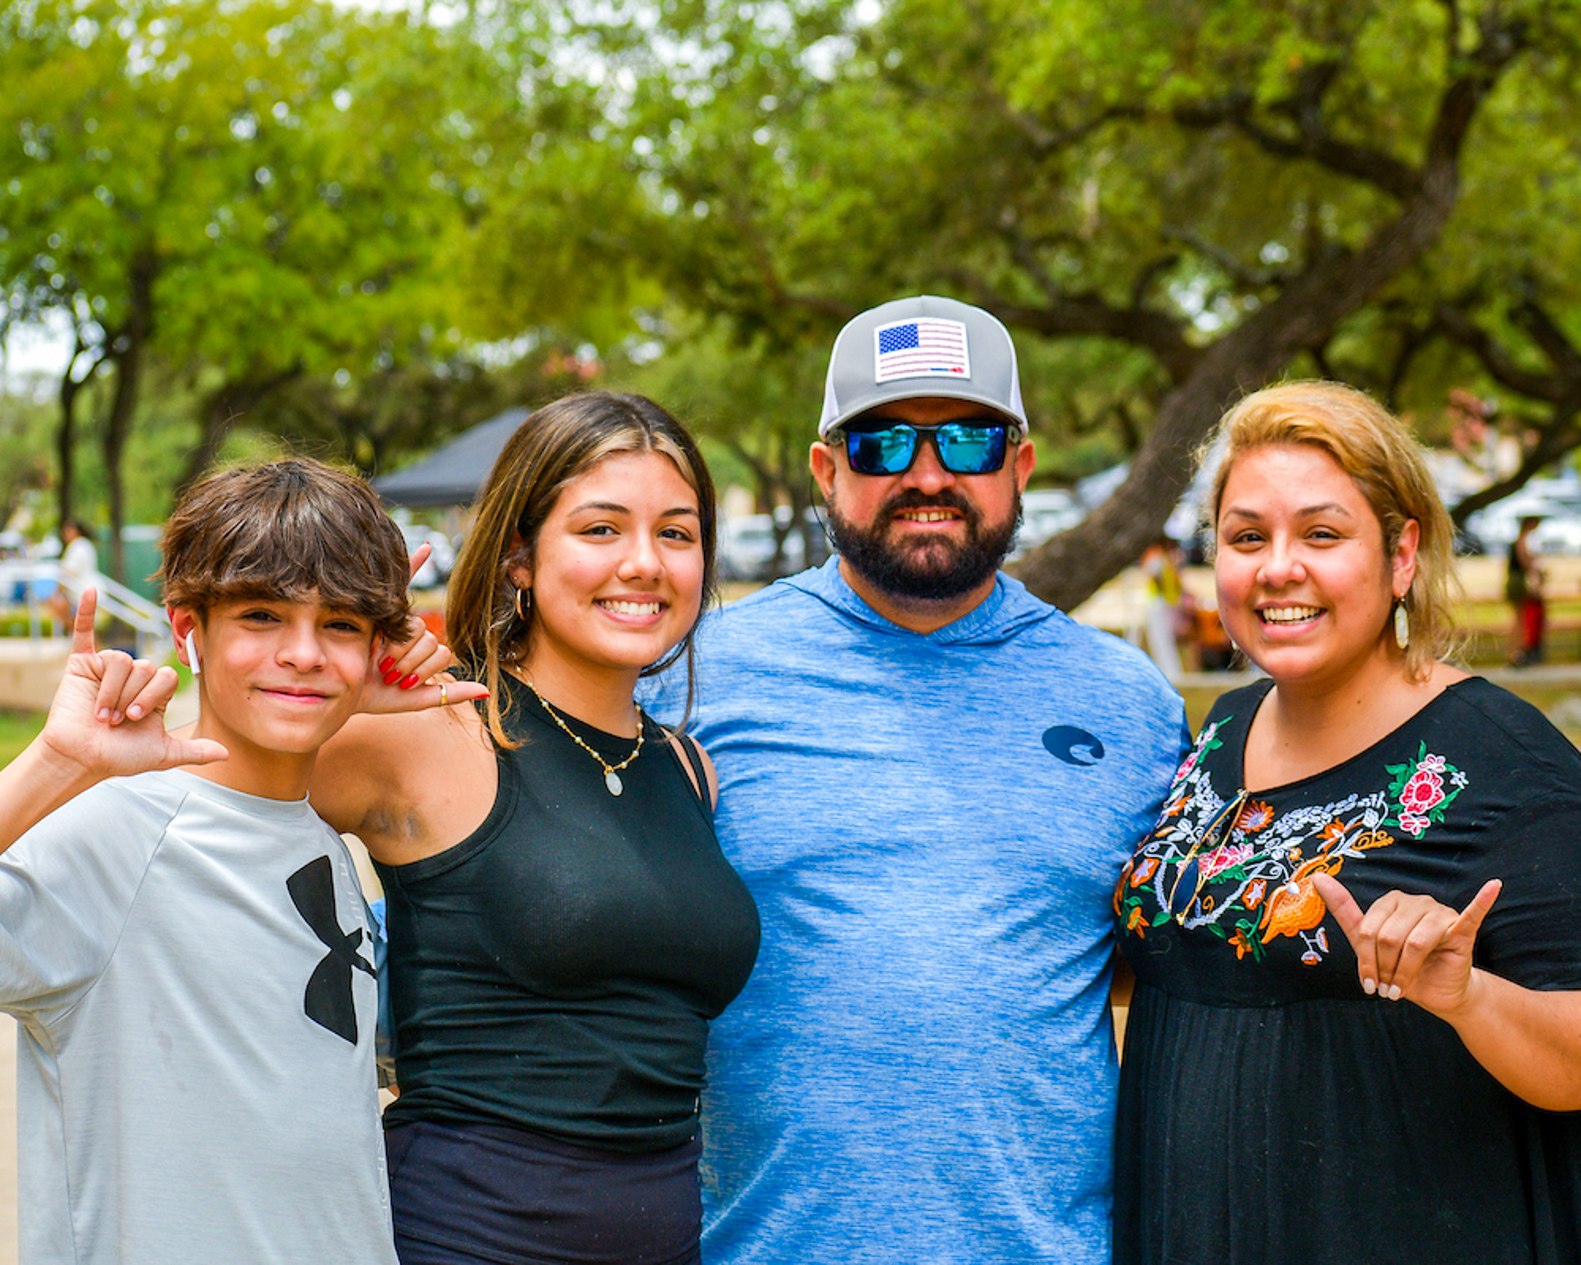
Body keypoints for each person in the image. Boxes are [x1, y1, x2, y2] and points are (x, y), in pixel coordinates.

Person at [641, 295, 1188, 1263]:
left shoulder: (1130, 705)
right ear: (825, 470)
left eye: (970, 441)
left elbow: (1187, 975)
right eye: (882, 444)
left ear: (1020, 465)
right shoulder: (691, 677)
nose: (928, 475)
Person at [1114, 381, 1581, 1264]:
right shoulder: (1220, 730)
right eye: (1247, 536)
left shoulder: (1504, 761)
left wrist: (1468, 996)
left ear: (1400, 554)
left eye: (1321, 534)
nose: (1277, 567)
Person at [308, 391, 761, 1265]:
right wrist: (324, 691)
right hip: (463, 1235)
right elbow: (183, 811)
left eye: (676, 532)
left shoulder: (688, 768)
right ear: (519, 555)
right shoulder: (430, 734)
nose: (644, 562)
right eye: (600, 529)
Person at [0, 458, 422, 1264]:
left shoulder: (324, 843)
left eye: (340, 623)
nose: (303, 653)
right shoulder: (113, 834)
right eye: (263, 615)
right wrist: (58, 761)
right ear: (187, 625)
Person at [1507, 512, 1546, 665]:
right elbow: (1526, 561)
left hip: (1515, 580)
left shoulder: (1520, 540)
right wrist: (1538, 571)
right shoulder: (1523, 540)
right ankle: (1515, 653)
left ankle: (1515, 652)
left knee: (1519, 619)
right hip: (1518, 581)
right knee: (1519, 620)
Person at [46, 517, 98, 626]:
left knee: (82, 626)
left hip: (81, 592)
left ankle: (76, 637)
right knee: (85, 627)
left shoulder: (77, 546)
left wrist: (57, 592)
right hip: (86, 590)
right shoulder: (85, 544)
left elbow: (69, 572)